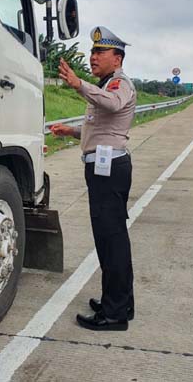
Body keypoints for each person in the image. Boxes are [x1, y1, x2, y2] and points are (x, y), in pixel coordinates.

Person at [50, 26, 136, 331]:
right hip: (102, 167)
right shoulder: (106, 84)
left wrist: (77, 83)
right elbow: (100, 130)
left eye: (100, 52)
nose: (93, 56)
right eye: (92, 51)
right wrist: (72, 132)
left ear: (117, 57)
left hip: (109, 171)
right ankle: (119, 300)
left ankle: (115, 314)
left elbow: (112, 105)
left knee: (111, 239)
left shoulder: (119, 84)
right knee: (111, 239)